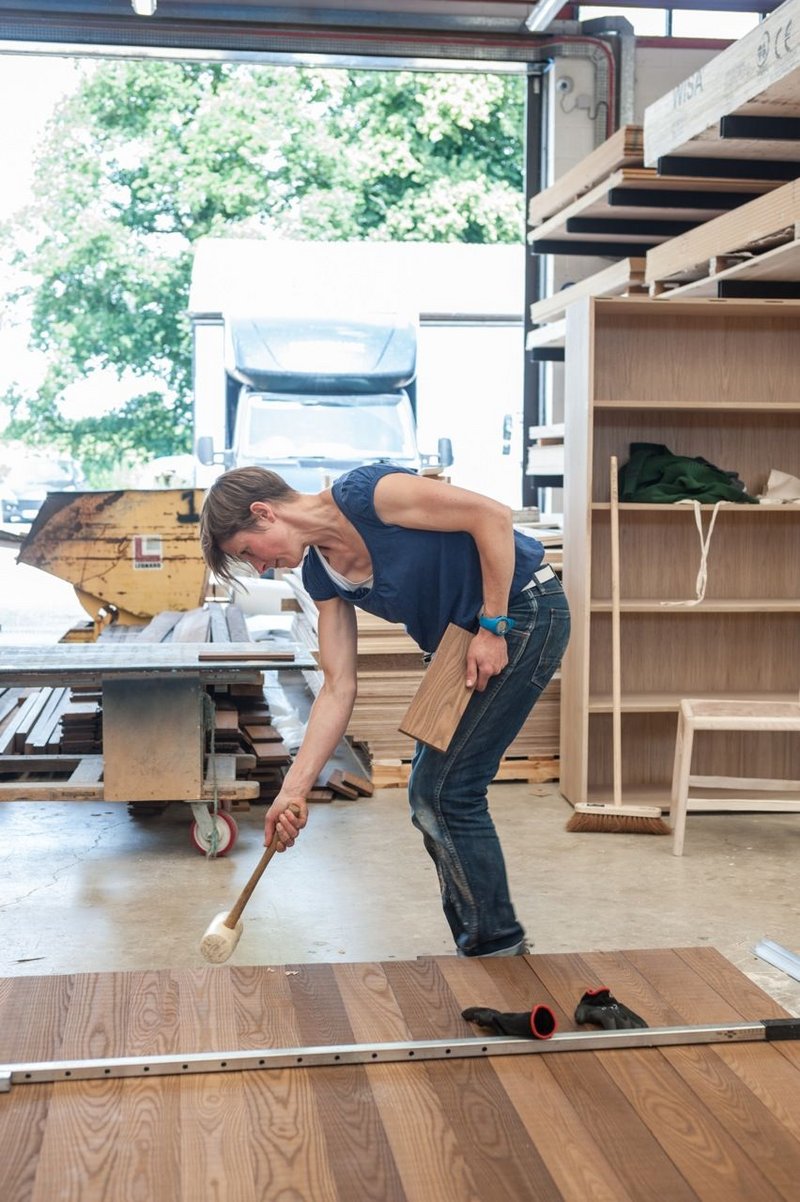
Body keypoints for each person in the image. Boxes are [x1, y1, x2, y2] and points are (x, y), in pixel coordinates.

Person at [199, 463, 570, 957]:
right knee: (433, 792)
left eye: (249, 552)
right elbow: (337, 686)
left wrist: (493, 627)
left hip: (521, 609)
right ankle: (489, 944)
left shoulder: (367, 493)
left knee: (443, 791)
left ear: (263, 513)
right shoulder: (321, 575)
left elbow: (493, 518)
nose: (261, 568)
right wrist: (292, 791)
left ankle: (495, 948)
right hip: (464, 640)